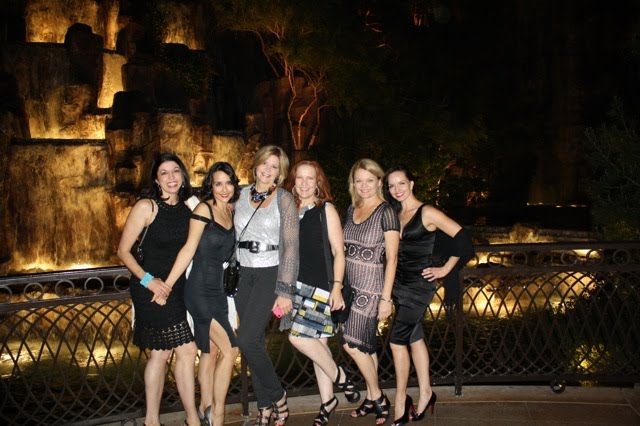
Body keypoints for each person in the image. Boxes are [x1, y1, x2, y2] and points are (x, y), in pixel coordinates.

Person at [383, 166, 474, 425]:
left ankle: (401, 402)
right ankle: (426, 393)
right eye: (391, 185)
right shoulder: (395, 213)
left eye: (401, 183)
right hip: (399, 285)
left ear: (412, 184)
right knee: (414, 337)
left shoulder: (427, 212)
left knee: (396, 341)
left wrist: (445, 268)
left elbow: (464, 240)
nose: (397, 189)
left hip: (419, 287)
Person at [117, 153, 200, 426]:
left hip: (176, 287)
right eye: (164, 173)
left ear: (183, 175)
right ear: (156, 179)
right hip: (149, 288)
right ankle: (183, 420)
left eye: (175, 171)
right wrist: (149, 281)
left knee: (168, 353)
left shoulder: (188, 207)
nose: (171, 177)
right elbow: (123, 251)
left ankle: (161, 421)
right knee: (176, 352)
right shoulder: (147, 207)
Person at [283, 160, 361, 426]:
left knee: (298, 338)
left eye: (310, 178)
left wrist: (337, 287)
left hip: (320, 288)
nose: (304, 183)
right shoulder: (289, 210)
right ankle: (328, 402)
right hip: (295, 288)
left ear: (318, 183)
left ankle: (341, 378)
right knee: (319, 347)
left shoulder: (325, 209)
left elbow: (339, 252)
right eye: (300, 178)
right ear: (293, 182)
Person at [163, 162, 241, 426]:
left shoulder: (230, 210)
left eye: (228, 183)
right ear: (211, 185)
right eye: (218, 183)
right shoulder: (203, 209)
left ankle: (206, 407)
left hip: (219, 292)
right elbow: (188, 249)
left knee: (211, 351)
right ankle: (217, 416)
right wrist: (167, 285)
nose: (224, 189)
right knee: (231, 349)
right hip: (199, 292)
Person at [234, 145, 299, 426]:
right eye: (265, 164)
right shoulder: (239, 194)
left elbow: (291, 247)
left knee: (246, 339)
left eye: (275, 166)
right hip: (241, 273)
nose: (268, 170)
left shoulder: (284, 199)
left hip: (269, 272)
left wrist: (285, 290)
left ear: (280, 172)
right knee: (255, 342)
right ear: (256, 164)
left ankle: (278, 396)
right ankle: (264, 407)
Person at [343, 159, 400, 426]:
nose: (364, 186)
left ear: (379, 182)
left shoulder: (386, 212)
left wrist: (386, 298)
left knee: (350, 343)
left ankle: (378, 396)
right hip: (350, 287)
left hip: (371, 287)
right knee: (366, 345)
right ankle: (370, 397)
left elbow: (392, 258)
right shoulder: (351, 209)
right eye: (359, 180)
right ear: (353, 183)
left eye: (370, 180)